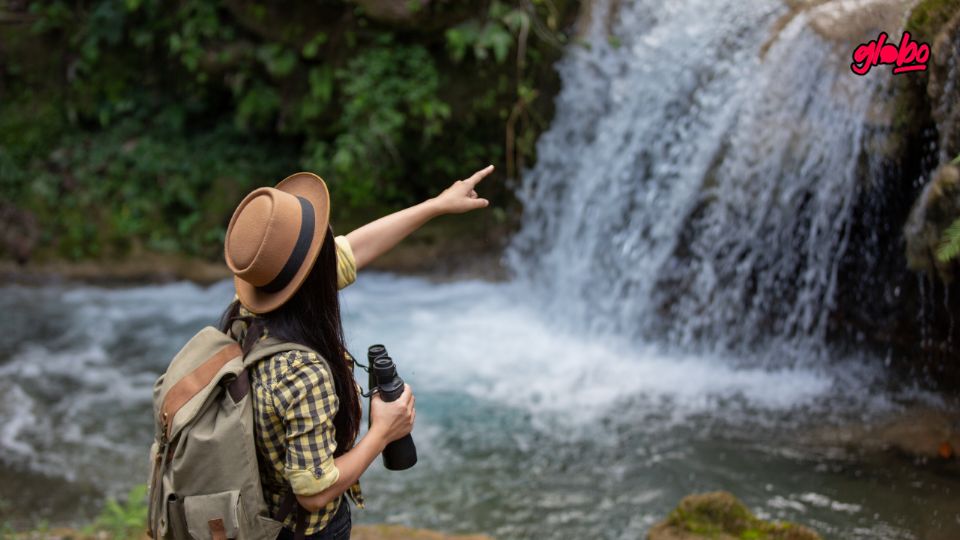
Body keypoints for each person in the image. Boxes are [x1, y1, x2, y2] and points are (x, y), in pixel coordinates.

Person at [218, 165, 494, 539]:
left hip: (258, 515)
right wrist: (383, 431)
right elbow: (313, 493)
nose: (331, 243)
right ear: (314, 275)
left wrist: (436, 205)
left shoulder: (248, 311)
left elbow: (353, 249)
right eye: (321, 243)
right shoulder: (302, 370)